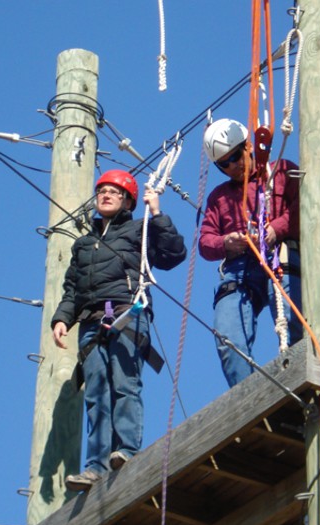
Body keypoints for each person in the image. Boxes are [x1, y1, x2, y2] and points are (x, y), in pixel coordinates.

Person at [51, 169, 186, 492]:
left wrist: (157, 213)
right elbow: (73, 289)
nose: (106, 196)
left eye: (114, 192)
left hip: (128, 313)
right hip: (91, 323)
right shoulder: (84, 245)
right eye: (102, 191)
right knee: (96, 394)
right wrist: (61, 319)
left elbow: (173, 255)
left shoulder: (140, 231)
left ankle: (127, 450)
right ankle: (95, 466)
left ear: (127, 201)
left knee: (125, 384)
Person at [199, 118, 302, 388]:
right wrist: (227, 242)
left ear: (248, 146)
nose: (233, 166)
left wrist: (277, 229)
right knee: (228, 340)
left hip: (278, 255)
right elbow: (205, 243)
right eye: (224, 163)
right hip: (238, 269)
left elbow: (306, 207)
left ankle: (301, 386)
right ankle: (254, 400)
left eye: (235, 156)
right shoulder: (219, 197)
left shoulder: (280, 171)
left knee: (293, 323)